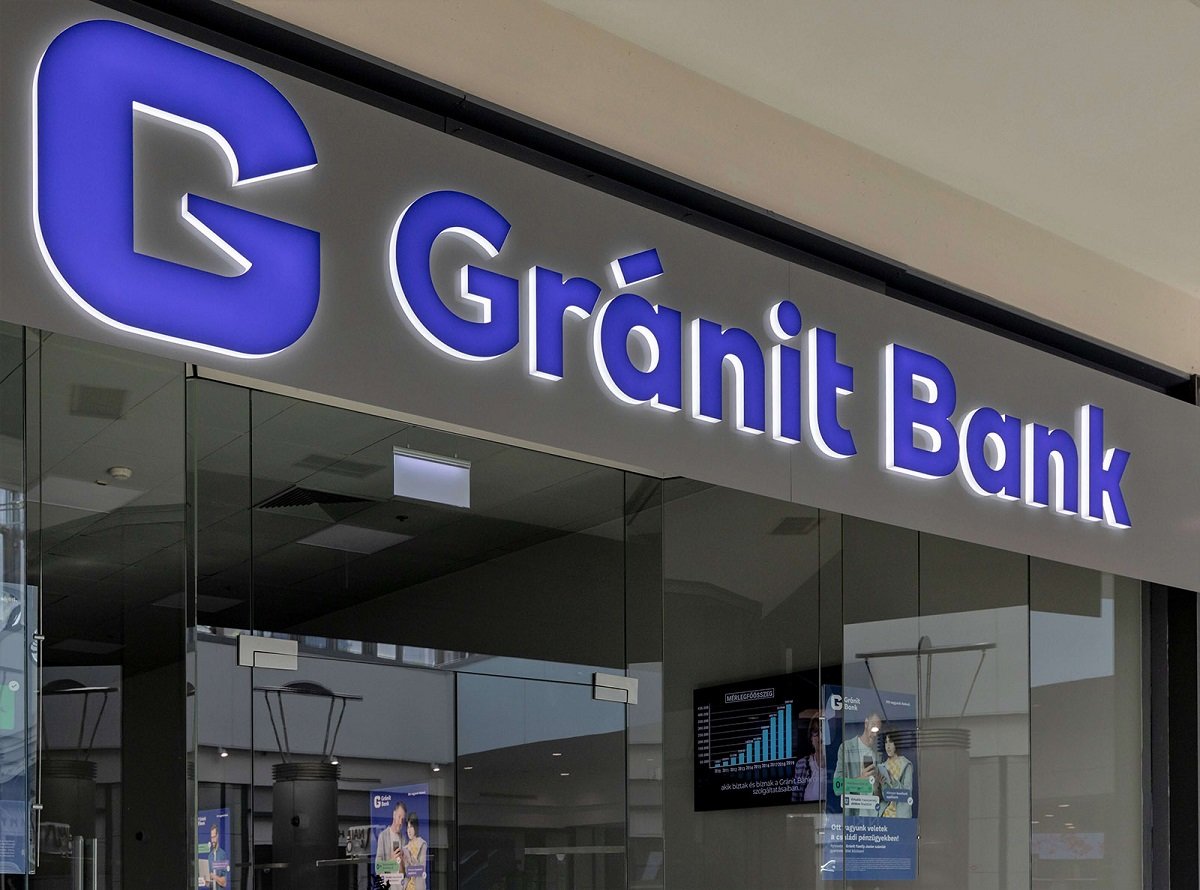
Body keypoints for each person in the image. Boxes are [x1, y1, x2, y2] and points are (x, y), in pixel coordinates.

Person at [832, 710, 882, 816]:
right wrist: (860, 780)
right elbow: (837, 787)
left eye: (878, 730)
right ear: (866, 723)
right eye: (873, 727)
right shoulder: (847, 748)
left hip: (874, 816)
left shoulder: (877, 755)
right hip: (854, 816)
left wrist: (876, 786)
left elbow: (879, 796)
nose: (875, 733)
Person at [878, 730, 915, 818]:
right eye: (886, 742)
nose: (888, 746)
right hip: (885, 814)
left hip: (900, 815)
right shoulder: (882, 766)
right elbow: (882, 797)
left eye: (891, 742)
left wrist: (893, 781)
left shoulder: (906, 764)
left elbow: (907, 794)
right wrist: (882, 785)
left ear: (897, 743)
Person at [792, 715, 826, 802]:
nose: (821, 737)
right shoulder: (801, 764)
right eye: (816, 732)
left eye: (824, 730)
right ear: (811, 738)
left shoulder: (838, 761)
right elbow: (795, 800)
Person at [375, 801, 408, 884]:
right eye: (399, 817)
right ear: (394, 815)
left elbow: (405, 872)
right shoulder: (383, 836)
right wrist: (391, 862)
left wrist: (402, 862)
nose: (400, 822)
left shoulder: (404, 839)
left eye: (403, 819)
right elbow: (378, 868)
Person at [402, 812, 428, 890]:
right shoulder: (405, 848)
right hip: (407, 886)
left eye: (411, 827)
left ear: (415, 828)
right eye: (407, 827)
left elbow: (421, 868)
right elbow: (406, 873)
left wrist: (411, 857)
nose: (409, 831)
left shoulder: (422, 844)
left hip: (418, 886)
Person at [207, 823, 228, 889]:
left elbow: (224, 883)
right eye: (211, 837)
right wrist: (206, 882)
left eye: (214, 837)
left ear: (217, 836)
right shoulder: (210, 856)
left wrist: (213, 876)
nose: (212, 840)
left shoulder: (223, 855)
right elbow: (209, 884)